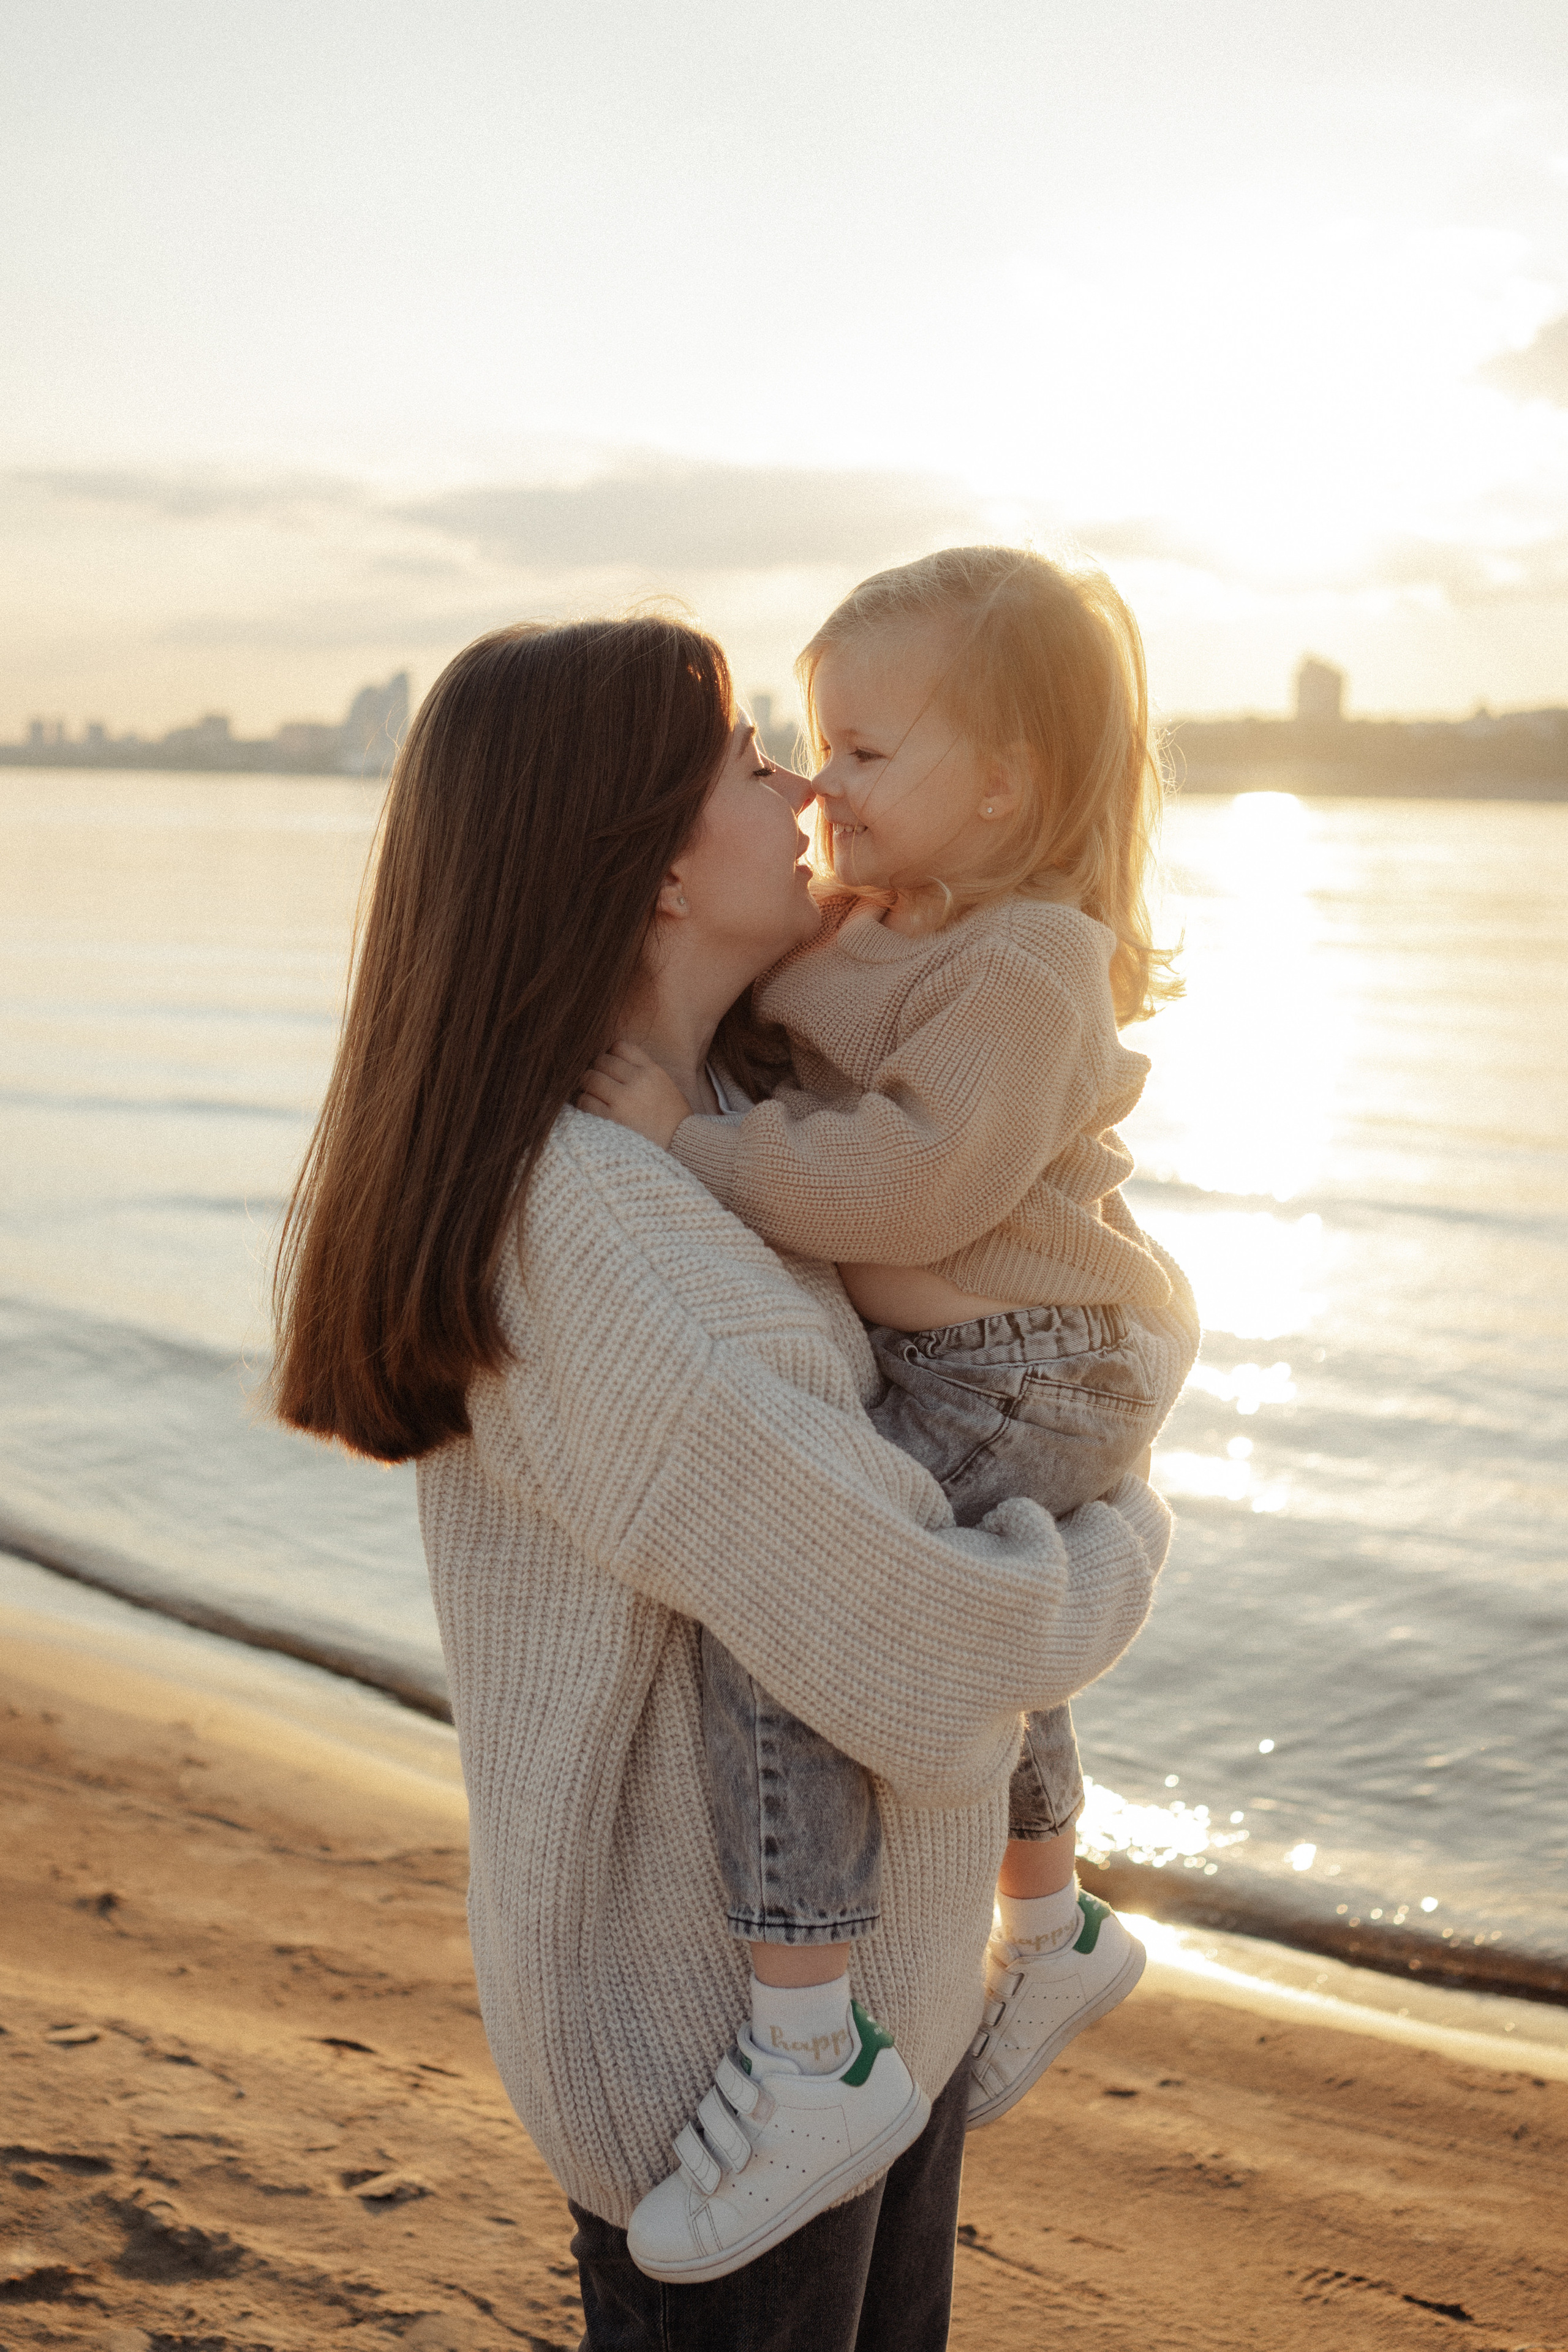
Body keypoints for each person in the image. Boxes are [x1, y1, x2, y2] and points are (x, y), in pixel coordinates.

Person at [271, 614, 1174, 2350]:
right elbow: (920, 1646)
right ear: (658, 870)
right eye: (757, 763)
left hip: (875, 2024)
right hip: (727, 2077)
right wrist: (1122, 1531)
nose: (810, 791)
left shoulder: (760, 1130)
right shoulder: (599, 1226)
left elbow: (1020, 1305)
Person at [581, 549, 1199, 2276]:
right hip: (984, 1356)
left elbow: (917, 1184)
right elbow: (780, 1016)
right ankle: (1054, 1914)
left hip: (1035, 1357)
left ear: (1001, 782)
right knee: (964, 1584)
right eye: (810, 748)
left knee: (804, 1610)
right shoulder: (884, 931)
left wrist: (690, 1149)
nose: (820, 786)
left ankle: (809, 2039)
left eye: (864, 754)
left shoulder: (1029, 965)